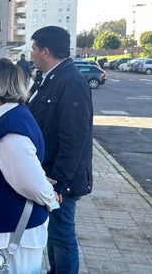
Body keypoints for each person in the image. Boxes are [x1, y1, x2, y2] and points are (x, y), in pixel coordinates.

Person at [0, 58, 59, 273]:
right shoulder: (5, 119)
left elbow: (33, 185)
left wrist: (50, 196)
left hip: (9, 241)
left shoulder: (10, 131)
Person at [26, 26, 93, 274]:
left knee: (62, 236)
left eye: (34, 49)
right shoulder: (49, 79)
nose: (31, 54)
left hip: (60, 180)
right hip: (49, 175)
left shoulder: (71, 82)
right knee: (54, 235)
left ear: (45, 51)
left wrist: (60, 183)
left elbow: (75, 138)